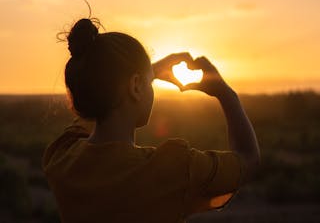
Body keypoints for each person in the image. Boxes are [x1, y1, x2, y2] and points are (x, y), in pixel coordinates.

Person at [42, 18, 260, 223]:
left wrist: (146, 73)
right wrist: (227, 94)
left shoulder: (61, 158)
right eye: (149, 82)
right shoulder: (173, 169)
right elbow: (248, 161)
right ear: (136, 86)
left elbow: (97, 107)